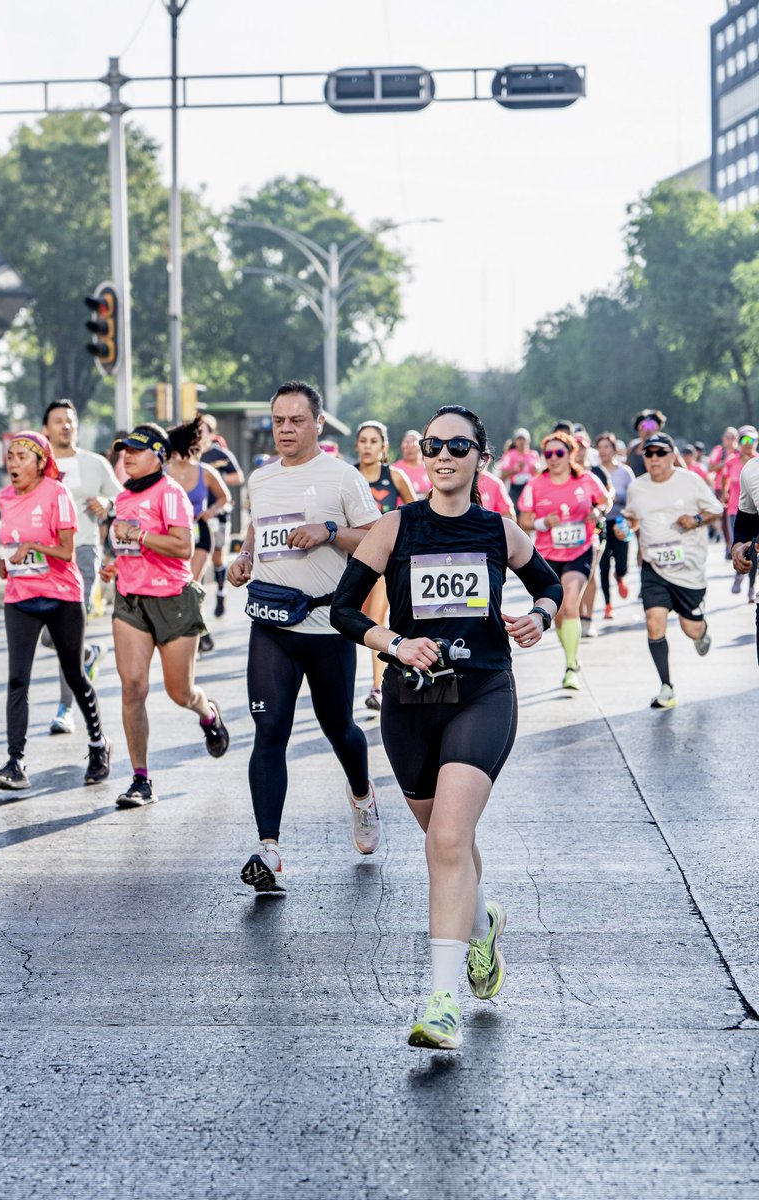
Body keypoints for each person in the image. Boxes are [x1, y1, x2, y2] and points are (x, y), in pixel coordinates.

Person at [331, 405, 562, 1050]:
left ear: (479, 458)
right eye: (434, 444)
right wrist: (394, 643)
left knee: (447, 840)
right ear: (424, 454)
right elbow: (344, 610)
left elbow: (550, 587)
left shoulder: (498, 530)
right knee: (445, 840)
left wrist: (539, 615)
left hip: (483, 692)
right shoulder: (395, 527)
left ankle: (442, 1001)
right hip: (411, 701)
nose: (444, 454)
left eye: (459, 445)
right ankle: (481, 922)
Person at [226, 380, 382, 894]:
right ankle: (268, 850)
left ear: (319, 422)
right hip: (271, 624)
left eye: (296, 420)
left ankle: (361, 794)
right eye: (278, 420)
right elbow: (258, 527)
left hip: (326, 627)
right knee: (270, 733)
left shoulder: (342, 477)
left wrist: (330, 532)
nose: (286, 429)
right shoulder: (261, 478)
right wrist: (245, 556)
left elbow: (380, 540)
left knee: (339, 727)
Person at [101, 422, 229, 808]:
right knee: (132, 688)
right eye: (124, 450)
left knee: (180, 692)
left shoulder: (169, 491)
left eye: (136, 451)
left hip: (173, 600)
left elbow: (183, 547)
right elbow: (126, 545)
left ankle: (206, 712)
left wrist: (138, 537)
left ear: (158, 455)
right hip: (130, 601)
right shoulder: (123, 497)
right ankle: (140, 779)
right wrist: (115, 564)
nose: (128, 456)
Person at [0, 432, 110, 791]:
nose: (13, 463)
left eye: (22, 457)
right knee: (17, 680)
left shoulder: (57, 493)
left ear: (41, 462)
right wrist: (5, 563)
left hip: (61, 596)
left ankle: (98, 745)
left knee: (74, 673)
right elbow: (11, 547)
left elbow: (67, 551)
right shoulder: (5, 498)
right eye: (10, 456)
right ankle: (15, 762)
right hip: (21, 596)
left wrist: (31, 546)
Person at [619, 432, 723, 709]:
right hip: (654, 567)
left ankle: (702, 632)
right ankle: (666, 686)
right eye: (648, 453)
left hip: (689, 570)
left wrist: (697, 519)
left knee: (691, 629)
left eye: (660, 453)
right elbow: (632, 519)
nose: (654, 459)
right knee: (654, 621)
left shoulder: (690, 481)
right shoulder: (637, 488)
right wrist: (624, 528)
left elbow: (717, 509)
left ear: (671, 454)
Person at [40, 399, 122, 734]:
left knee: (66, 629)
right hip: (42, 557)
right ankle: (88, 653)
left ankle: (65, 708)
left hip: (83, 552)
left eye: (69, 420)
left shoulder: (95, 463)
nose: (65, 426)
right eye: (58, 420)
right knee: (50, 635)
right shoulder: (37, 465)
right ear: (46, 429)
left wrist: (107, 502)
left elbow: (123, 499)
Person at [517, 431, 611, 690]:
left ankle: (571, 666)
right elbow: (523, 521)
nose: (554, 458)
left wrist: (598, 511)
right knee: (558, 614)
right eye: (549, 454)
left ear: (571, 454)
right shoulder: (535, 485)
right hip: (547, 556)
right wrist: (542, 522)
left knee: (570, 604)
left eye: (560, 453)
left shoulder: (587, 480)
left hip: (581, 550)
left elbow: (606, 501)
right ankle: (571, 653)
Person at [354, 419, 417, 709]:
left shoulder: (395, 477)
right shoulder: (348, 476)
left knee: (377, 620)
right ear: (357, 445)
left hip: (383, 562)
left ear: (383, 447)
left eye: (373, 441)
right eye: (363, 441)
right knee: (353, 620)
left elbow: (416, 514)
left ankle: (377, 688)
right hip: (348, 559)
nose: (367, 447)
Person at [166, 416, 231, 652]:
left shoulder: (205, 472)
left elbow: (225, 497)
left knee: (191, 583)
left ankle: (199, 633)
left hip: (200, 533)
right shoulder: (164, 472)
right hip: (172, 536)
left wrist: (211, 511)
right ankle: (191, 628)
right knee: (179, 586)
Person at [199, 414, 244, 619]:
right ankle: (197, 599)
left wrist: (216, 477)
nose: (199, 434)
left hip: (217, 513)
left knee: (217, 556)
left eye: (203, 430)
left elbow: (239, 477)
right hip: (197, 516)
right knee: (198, 557)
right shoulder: (190, 455)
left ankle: (220, 592)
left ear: (211, 433)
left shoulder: (220, 454)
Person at [573, 432, 612, 639]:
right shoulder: (566, 472)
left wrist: (598, 511)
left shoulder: (596, 471)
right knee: (575, 575)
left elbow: (608, 496)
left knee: (591, 572)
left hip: (595, 529)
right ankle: (577, 616)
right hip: (570, 532)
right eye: (575, 446)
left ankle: (588, 618)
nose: (579, 451)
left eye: (583, 447)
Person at [595, 432, 635, 620]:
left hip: (621, 520)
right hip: (600, 523)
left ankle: (620, 576)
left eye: (607, 447)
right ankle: (608, 604)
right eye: (600, 447)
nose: (603, 451)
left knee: (622, 561)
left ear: (614, 450)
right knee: (602, 565)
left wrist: (618, 498)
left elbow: (635, 496)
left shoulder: (624, 472)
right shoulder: (593, 472)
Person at [721, 426, 759, 599]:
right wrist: (724, 493)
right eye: (744, 440)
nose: (748, 444)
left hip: (755, 513)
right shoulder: (731, 461)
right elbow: (724, 477)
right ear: (739, 442)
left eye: (751, 440)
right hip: (735, 511)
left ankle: (751, 587)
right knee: (738, 546)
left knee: (753, 549)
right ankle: (739, 574)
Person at [498, 428, 540, 512]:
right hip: (515, 489)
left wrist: (536, 470)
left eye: (523, 439)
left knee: (529, 513)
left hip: (529, 489)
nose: (521, 442)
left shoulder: (534, 454)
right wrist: (515, 470)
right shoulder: (509, 455)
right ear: (515, 441)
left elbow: (538, 476)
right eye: (519, 439)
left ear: (528, 441)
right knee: (514, 513)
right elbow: (502, 476)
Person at [626, 409, 668, 477]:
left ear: (658, 428)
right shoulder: (632, 448)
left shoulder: (667, 447)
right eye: (644, 426)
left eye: (651, 426)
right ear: (638, 429)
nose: (648, 430)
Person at [392, 429, 431, 498]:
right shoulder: (394, 469)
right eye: (407, 444)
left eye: (413, 446)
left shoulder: (429, 468)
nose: (410, 448)